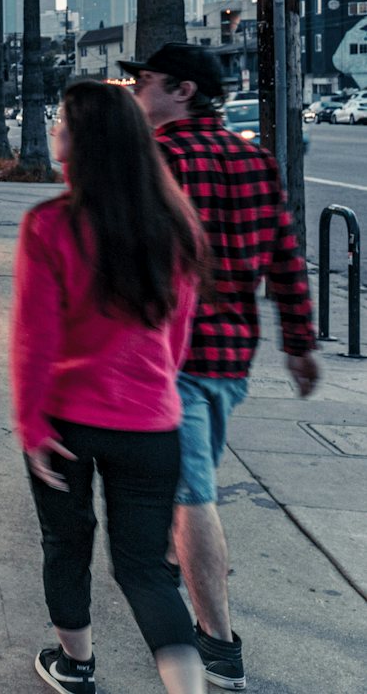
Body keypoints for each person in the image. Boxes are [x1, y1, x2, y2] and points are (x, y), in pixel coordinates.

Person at [121, 42, 319, 690]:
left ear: (181, 90)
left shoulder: (157, 160)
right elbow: (286, 257)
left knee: (191, 496)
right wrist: (298, 344)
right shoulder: (255, 161)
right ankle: (193, 596)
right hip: (231, 360)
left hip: (168, 356)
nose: (136, 91)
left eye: (144, 81)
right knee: (187, 487)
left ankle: (217, 648)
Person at [11, 80, 208, 694]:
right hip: (152, 424)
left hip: (68, 422)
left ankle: (76, 666)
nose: (53, 129)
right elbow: (177, 337)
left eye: (60, 120)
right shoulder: (175, 226)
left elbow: (34, 340)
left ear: (81, 140)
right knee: (147, 570)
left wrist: (32, 425)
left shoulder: (51, 225)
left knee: (65, 545)